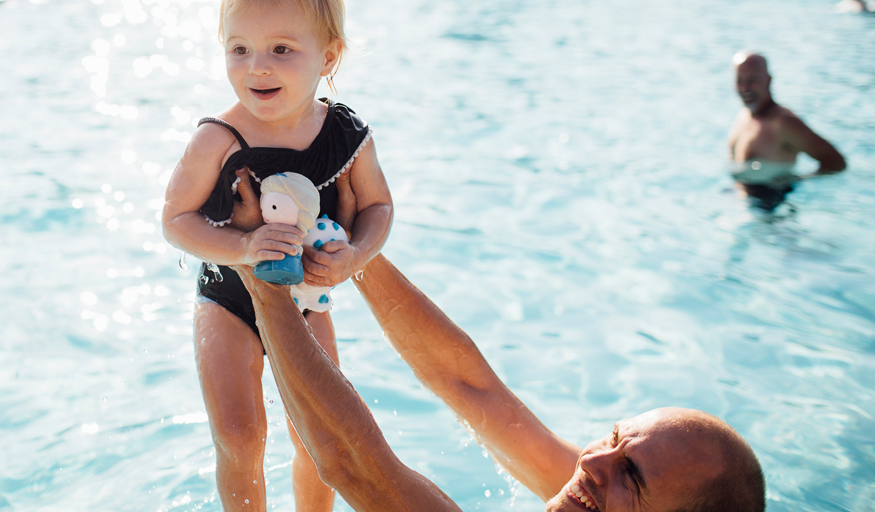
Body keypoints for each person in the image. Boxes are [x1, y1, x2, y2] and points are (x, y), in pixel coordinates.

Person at [224, 226, 766, 511]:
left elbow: (351, 463)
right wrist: (351, 253)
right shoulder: (589, 490)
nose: (595, 461)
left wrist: (265, 286)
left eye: (632, 475)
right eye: (614, 437)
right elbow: (469, 385)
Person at [162, 0, 393, 512]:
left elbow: (379, 206)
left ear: (328, 56)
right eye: (239, 48)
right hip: (228, 301)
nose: (256, 67)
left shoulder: (345, 134)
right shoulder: (218, 140)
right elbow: (175, 220)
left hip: (310, 302)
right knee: (240, 436)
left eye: (281, 50)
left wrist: (355, 254)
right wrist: (242, 246)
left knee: (321, 438)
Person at [728, 51, 846, 210]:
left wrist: (797, 180)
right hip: (741, 200)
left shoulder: (784, 123)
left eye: (752, 80)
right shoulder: (744, 116)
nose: (744, 88)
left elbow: (836, 162)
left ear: (768, 80)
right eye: (739, 81)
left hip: (773, 212)